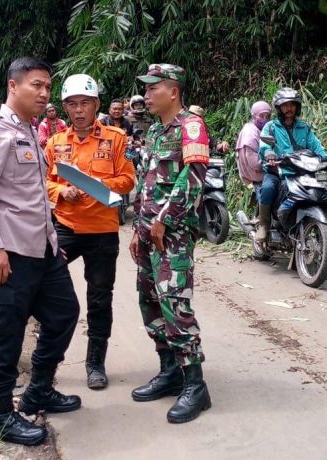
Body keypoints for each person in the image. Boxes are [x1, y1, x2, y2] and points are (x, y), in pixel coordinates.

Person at [0, 57, 82, 446]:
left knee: (64, 314)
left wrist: (53, 240)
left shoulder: (32, 131)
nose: (44, 93)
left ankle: (38, 391)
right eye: (37, 85)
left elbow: (34, 195)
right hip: (8, 253)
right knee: (4, 335)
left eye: (48, 87)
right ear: (13, 86)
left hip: (42, 249)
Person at [129, 63, 212, 424]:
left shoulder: (190, 126)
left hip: (172, 235)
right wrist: (139, 227)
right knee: (149, 301)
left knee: (175, 304)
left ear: (173, 91)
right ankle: (169, 370)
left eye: (153, 88)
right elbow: (147, 183)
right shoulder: (156, 133)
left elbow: (194, 178)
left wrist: (164, 219)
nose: (146, 95)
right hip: (149, 233)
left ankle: (195, 384)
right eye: (145, 89)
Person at [45, 75, 135, 390]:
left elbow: (127, 180)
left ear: (96, 105)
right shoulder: (55, 143)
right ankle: (46, 357)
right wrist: (60, 191)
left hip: (102, 231)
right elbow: (42, 182)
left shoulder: (116, 137)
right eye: (72, 104)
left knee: (99, 298)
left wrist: (96, 187)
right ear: (65, 107)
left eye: (85, 103)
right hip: (65, 228)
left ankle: (95, 363)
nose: (79, 110)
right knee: (45, 286)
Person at [256, 87, 327, 242]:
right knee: (268, 188)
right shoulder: (271, 127)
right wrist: (269, 153)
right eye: (285, 105)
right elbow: (264, 144)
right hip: (278, 170)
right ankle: (263, 224)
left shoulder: (304, 127)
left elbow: (316, 146)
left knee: (325, 178)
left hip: (302, 170)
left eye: (292, 104)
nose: (289, 108)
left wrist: (325, 158)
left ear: (297, 106)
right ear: (279, 107)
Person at [235, 101, 271, 189]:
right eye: (261, 116)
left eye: (267, 116)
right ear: (254, 116)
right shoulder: (250, 133)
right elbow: (255, 163)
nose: (265, 119)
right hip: (257, 176)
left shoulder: (258, 130)